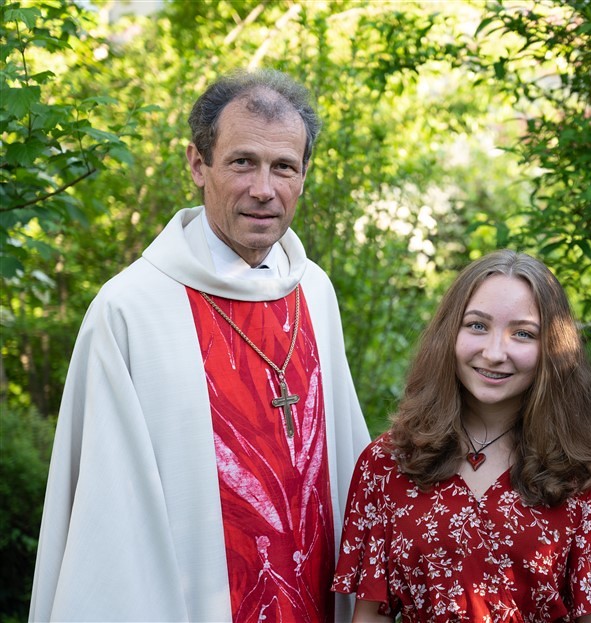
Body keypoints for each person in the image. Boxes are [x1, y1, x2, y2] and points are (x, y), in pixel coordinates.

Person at [29, 69, 371, 622]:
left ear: (304, 175)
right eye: (242, 162)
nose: (264, 189)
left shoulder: (314, 290)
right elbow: (110, 513)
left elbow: (348, 466)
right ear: (197, 164)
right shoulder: (131, 309)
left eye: (284, 167)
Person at [332, 250, 591, 622]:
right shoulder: (387, 462)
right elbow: (371, 614)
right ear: (449, 333)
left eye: (523, 333)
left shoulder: (585, 471)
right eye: (477, 326)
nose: (494, 353)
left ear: (553, 349)